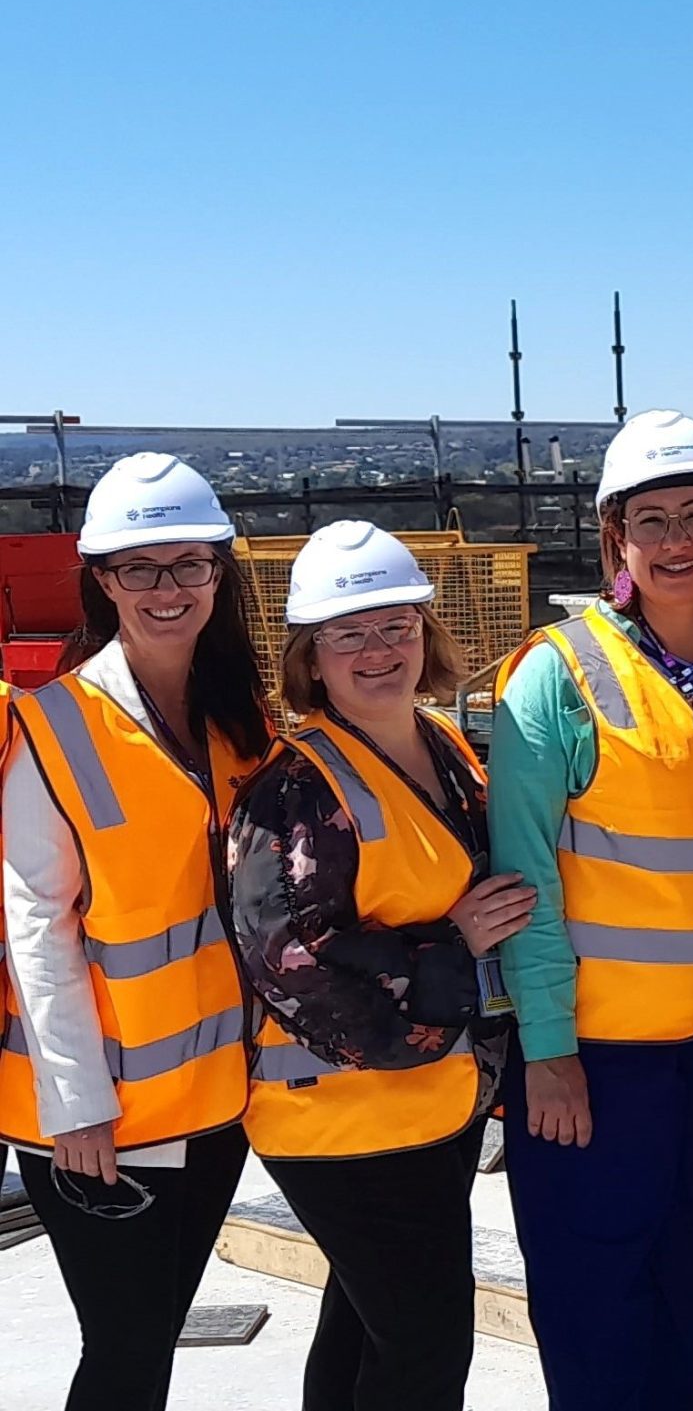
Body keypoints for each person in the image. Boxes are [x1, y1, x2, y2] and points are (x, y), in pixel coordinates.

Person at [489, 411, 693, 1410]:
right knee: (594, 1295)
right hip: (600, 1054)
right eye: (649, 520)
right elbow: (525, 879)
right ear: (615, 536)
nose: (675, 540)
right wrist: (548, 1051)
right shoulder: (556, 673)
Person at [225, 521, 530, 1411]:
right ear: (311, 659)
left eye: (396, 625)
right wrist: (452, 947)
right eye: (347, 633)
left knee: (365, 1328)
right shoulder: (296, 787)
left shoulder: (444, 747)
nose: (377, 650)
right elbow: (289, 960)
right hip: (341, 1119)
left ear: (425, 635)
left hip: (433, 1102)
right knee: (425, 1348)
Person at [1, 453, 272, 1411]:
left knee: (151, 1342)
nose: (167, 587)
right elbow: (36, 927)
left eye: (188, 564)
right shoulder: (53, 727)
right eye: (139, 567)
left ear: (217, 574)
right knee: (123, 1353)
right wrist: (76, 1105)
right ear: (103, 581)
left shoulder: (237, 720)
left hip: (212, 1099)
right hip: (99, 1120)